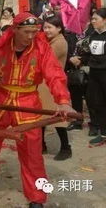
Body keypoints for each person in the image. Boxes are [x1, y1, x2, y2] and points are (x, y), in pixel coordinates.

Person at [0, 12, 74, 208]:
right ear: (15, 30)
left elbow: (55, 74)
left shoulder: (42, 48)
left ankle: (36, 197)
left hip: (28, 103)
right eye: (27, 32)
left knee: (32, 153)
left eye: (34, 32)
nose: (31, 36)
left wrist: (62, 100)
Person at [71, 8, 106, 145]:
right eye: (92, 19)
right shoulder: (93, 35)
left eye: (96, 19)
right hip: (94, 74)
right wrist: (80, 59)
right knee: (98, 104)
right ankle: (104, 133)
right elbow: (89, 53)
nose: (93, 21)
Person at [39, 15, 72, 160]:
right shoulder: (50, 40)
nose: (46, 30)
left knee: (58, 118)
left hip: (54, 85)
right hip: (43, 84)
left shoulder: (59, 42)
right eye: (44, 27)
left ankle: (66, 147)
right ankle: (41, 145)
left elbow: (43, 59)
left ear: (59, 28)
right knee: (40, 116)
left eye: (49, 27)